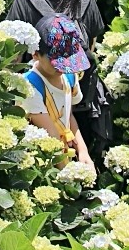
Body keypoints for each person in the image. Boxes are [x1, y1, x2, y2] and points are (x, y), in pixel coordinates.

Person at [4, 0, 113, 165]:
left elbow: (10, 63)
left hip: (34, 117)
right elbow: (90, 51)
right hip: (78, 112)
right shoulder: (86, 1)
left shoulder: (24, 2)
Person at [21, 14, 94, 172]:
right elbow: (51, 135)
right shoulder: (29, 86)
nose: (63, 68)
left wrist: (82, 150)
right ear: (36, 54)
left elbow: (68, 116)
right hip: (42, 161)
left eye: (68, 61)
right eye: (57, 62)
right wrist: (68, 174)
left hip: (65, 152)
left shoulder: (69, 75)